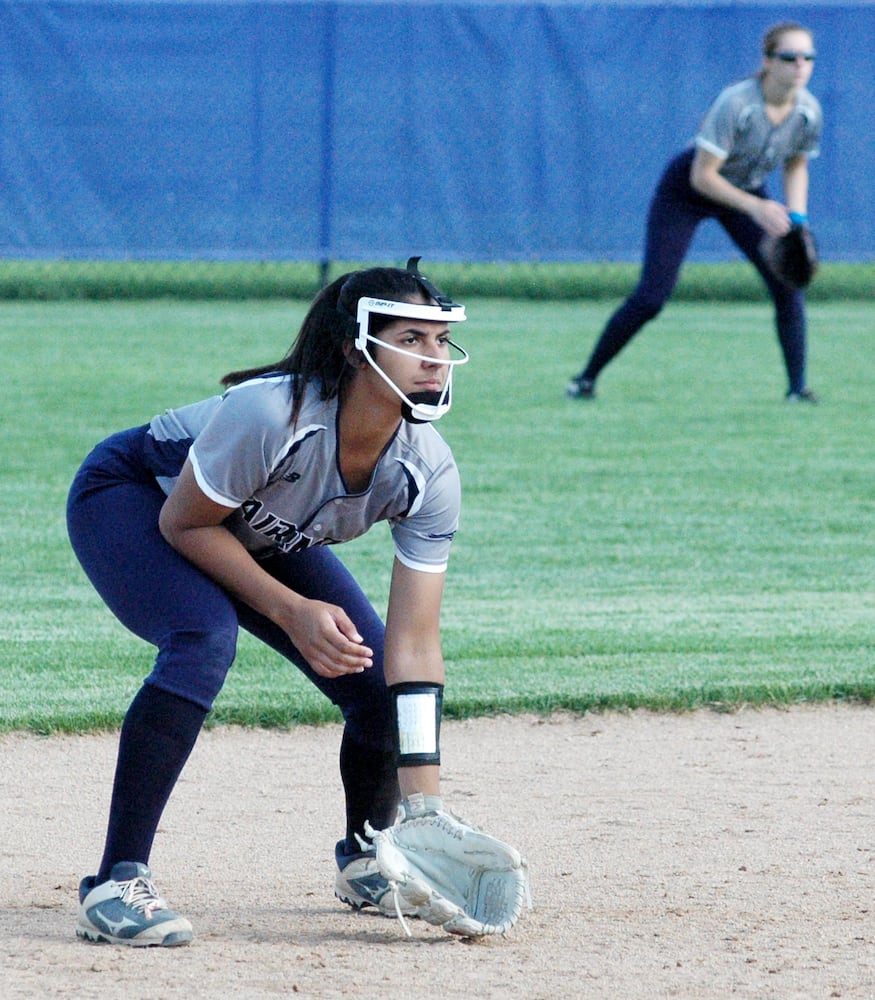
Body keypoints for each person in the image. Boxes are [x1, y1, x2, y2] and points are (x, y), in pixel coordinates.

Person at [66, 258, 470, 947]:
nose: (434, 359)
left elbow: (414, 646)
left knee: (373, 680)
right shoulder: (270, 415)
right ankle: (114, 881)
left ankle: (369, 856)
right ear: (354, 346)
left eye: (441, 341)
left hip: (255, 523)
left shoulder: (426, 469)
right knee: (203, 637)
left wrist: (424, 807)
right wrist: (289, 609)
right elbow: (186, 525)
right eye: (411, 339)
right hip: (138, 497)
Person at [566, 21, 822, 403]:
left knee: (787, 282)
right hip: (687, 191)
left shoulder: (807, 111)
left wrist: (796, 221)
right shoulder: (738, 103)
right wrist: (757, 207)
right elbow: (703, 177)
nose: (800, 65)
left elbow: (796, 164)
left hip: (745, 191)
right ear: (768, 61)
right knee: (652, 297)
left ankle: (797, 390)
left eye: (807, 57)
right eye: (789, 57)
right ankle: (585, 380)